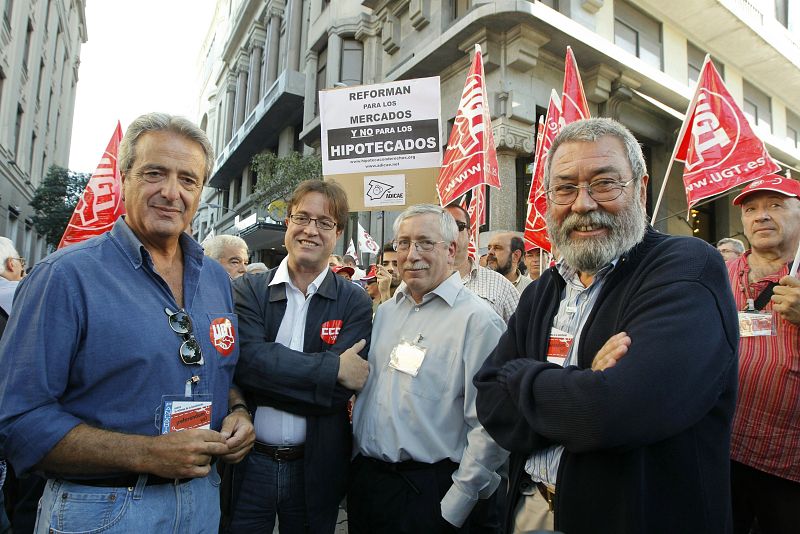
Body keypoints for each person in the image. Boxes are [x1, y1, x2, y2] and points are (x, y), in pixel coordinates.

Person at [474, 118, 738, 534]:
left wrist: (519, 374)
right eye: (565, 188)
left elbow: (611, 412)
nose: (582, 204)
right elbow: (489, 400)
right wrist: (582, 384)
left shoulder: (687, 267)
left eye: (604, 183)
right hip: (530, 513)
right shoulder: (543, 289)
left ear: (641, 187)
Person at [0, 112, 255, 534]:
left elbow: (218, 371)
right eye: (155, 173)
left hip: (201, 500)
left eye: (188, 180)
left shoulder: (216, 279)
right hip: (100, 509)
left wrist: (239, 411)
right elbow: (18, 419)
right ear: (124, 178)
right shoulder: (65, 277)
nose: (172, 193)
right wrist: (145, 453)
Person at [349, 204, 508, 533]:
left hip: (430, 495)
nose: (411, 254)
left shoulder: (478, 322)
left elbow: (491, 427)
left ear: (451, 250)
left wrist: (457, 502)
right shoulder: (387, 312)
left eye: (424, 242)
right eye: (403, 243)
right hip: (371, 487)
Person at [229, 179, 373, 534]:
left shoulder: (354, 300)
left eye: (324, 222)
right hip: (249, 464)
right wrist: (331, 369)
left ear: (337, 233)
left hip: (316, 468)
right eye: (302, 218)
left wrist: (265, 376)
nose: (311, 230)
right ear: (287, 225)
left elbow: (341, 391)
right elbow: (243, 362)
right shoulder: (247, 290)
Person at [724, 175, 800, 534]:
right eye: (751, 209)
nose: (761, 216)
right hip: (723, 449)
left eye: (775, 205)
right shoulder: (719, 275)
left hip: (788, 463)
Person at [444, 205, 519, 322]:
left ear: (469, 233)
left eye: (457, 226)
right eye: (443, 227)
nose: (450, 232)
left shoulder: (501, 286)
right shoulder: (419, 285)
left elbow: (523, 333)